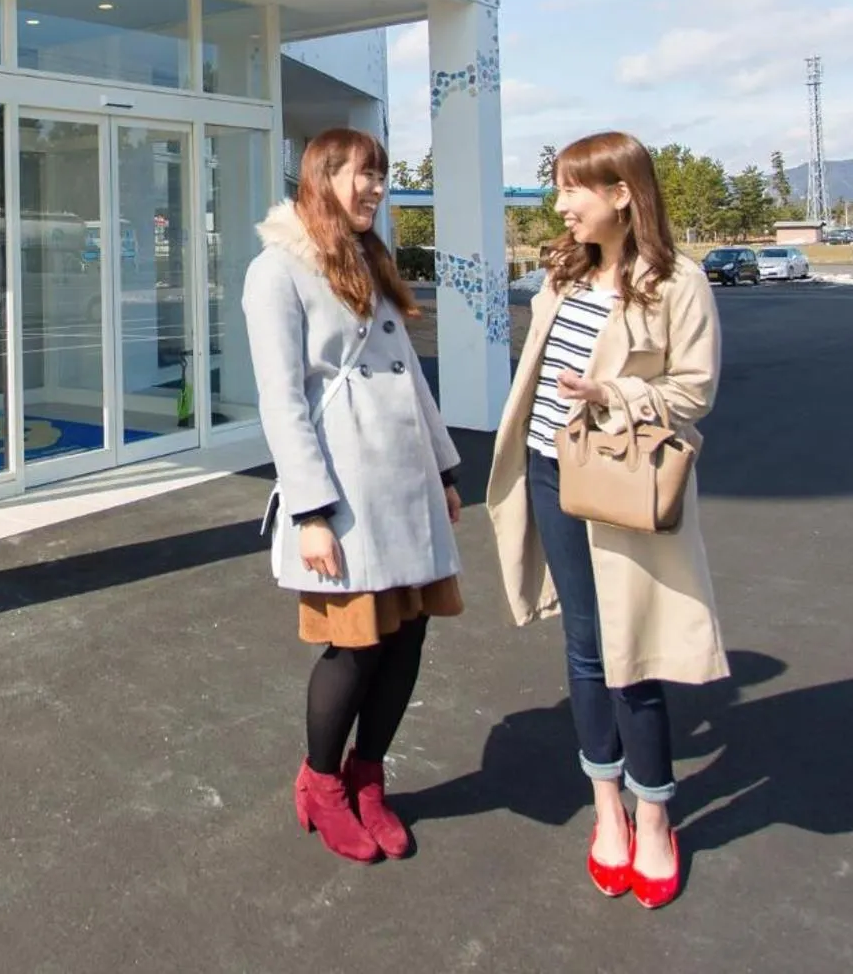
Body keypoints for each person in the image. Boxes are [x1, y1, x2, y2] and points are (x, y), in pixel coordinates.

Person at [487, 131, 727, 909]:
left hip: (623, 480)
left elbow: (694, 392)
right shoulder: (564, 273)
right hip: (554, 470)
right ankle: (608, 813)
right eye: (557, 190)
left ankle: (655, 818)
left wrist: (614, 396)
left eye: (571, 190)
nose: (560, 206)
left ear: (622, 192)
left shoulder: (677, 282)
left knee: (637, 652)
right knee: (587, 646)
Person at [243, 128, 465, 863]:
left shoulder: (370, 258)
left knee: (407, 637)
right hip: (344, 491)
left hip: (405, 482)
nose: (374, 188)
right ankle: (321, 782)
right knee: (354, 645)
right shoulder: (277, 272)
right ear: (320, 176)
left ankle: (369, 779)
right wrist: (310, 511)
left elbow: (408, 373)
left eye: (381, 176)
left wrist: (444, 470)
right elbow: (282, 402)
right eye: (360, 175)